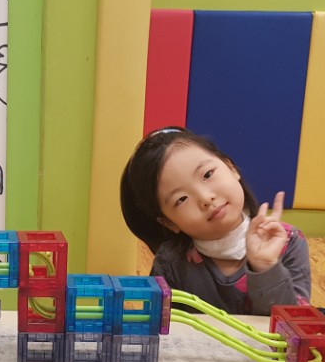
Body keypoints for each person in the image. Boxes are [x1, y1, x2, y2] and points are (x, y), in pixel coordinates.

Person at [119, 126, 310, 316]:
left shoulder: (285, 240)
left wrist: (265, 266)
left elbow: (295, 325)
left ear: (231, 167)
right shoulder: (171, 263)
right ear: (169, 223)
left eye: (207, 175)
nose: (205, 198)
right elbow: (160, 327)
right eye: (181, 199)